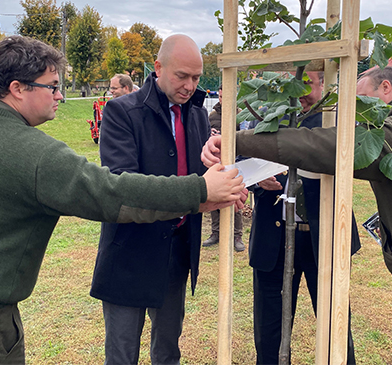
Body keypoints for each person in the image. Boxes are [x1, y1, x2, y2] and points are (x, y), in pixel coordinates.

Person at [0, 36, 245, 365]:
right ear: (18, 88)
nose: (60, 95)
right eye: (52, 87)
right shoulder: (34, 153)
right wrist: (199, 191)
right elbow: (110, 192)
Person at [202, 67, 392, 365]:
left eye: (361, 98)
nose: (356, 110)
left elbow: (329, 147)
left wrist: (236, 140)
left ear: (385, 88)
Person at [89, 34, 219, 365]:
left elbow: (205, 175)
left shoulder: (198, 116)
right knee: (122, 354)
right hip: (130, 253)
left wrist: (228, 180)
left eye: (196, 77)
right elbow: (122, 186)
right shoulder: (121, 112)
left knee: (168, 350)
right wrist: (199, 196)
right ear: (158, 67)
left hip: (175, 250)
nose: (190, 86)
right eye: (182, 76)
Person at [247, 71, 360, 364]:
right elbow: (244, 160)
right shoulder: (271, 118)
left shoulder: (335, 121)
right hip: (274, 238)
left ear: (325, 83)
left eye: (307, 83)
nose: (298, 91)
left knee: (335, 327)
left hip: (322, 239)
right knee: (268, 332)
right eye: (292, 83)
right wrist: (259, 181)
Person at [203, 85, 245, 251]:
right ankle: (216, 233)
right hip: (216, 164)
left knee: (235, 199)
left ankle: (237, 235)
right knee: (214, 198)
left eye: (225, 96)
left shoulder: (240, 116)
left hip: (235, 163)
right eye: (220, 97)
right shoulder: (212, 116)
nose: (222, 100)